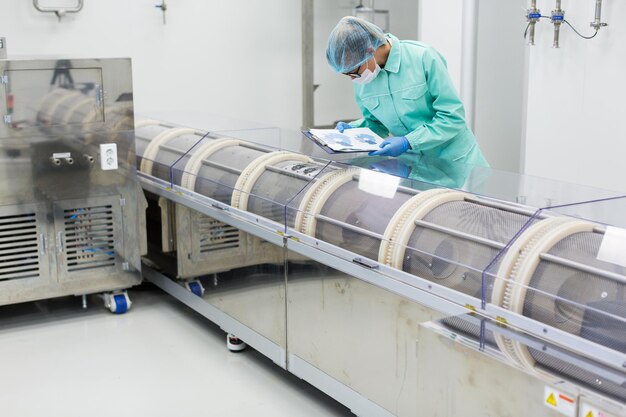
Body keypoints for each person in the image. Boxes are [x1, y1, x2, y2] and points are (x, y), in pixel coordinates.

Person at [326, 16, 489, 167]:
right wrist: (354, 130)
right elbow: (377, 125)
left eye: (353, 71)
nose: (353, 79)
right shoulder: (364, 78)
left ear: (369, 51)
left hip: (457, 163)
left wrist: (408, 142)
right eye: (347, 74)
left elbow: (453, 117)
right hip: (418, 168)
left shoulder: (423, 57)